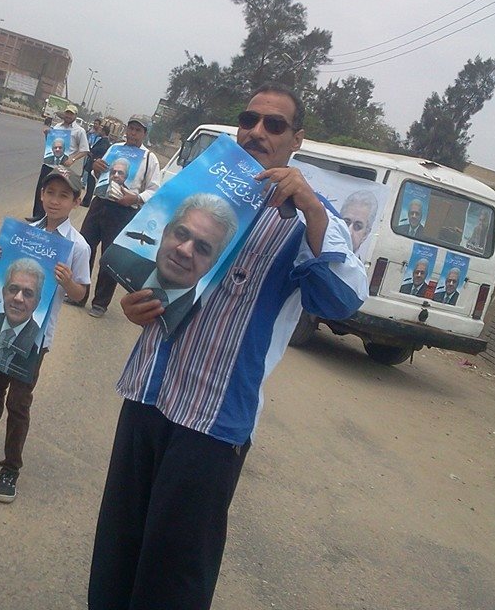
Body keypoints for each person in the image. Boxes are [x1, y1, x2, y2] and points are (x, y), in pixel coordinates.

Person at [87, 83, 368, 610]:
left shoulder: (311, 219)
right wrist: (134, 304)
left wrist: (311, 209)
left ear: (296, 140)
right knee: (118, 546)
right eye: (249, 119)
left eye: (274, 124)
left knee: (175, 570)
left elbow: (340, 300)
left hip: (213, 422)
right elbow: (152, 274)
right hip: (147, 393)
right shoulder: (202, 185)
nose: (257, 131)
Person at [0, 169, 91, 503]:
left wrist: (68, 281)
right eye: (50, 192)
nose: (55, 201)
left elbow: (81, 294)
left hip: (35, 338)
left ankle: (11, 468)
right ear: (41, 195)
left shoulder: (78, 246)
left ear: (76, 201)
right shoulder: (23, 232)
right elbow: (2, 270)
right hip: (2, 328)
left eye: (64, 195)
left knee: (18, 402)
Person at [103, 193, 238, 334]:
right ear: (165, 232)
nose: (184, 250)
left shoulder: (202, 319)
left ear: (214, 262)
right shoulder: (118, 257)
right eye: (181, 234)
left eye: (202, 248)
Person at [80, 115, 161, 317]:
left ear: (144, 134)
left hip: (123, 211)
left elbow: (154, 190)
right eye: (131, 128)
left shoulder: (149, 158)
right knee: (84, 248)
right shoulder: (114, 149)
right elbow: (100, 174)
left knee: (110, 256)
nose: (133, 133)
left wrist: (136, 198)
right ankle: (78, 294)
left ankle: (100, 303)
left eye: (138, 130)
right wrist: (96, 169)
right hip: (100, 203)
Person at [29, 104, 89, 220]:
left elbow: (85, 150)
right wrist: (47, 135)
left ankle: (50, 218)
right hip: (49, 164)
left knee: (56, 192)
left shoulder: (79, 131)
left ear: (75, 116)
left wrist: (72, 159)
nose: (68, 116)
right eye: (67, 113)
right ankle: (37, 216)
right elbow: (50, 144)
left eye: (71, 114)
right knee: (42, 190)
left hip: (62, 167)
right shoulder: (57, 127)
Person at [82, 120, 113, 207]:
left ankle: (86, 201)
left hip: (94, 165)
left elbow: (100, 150)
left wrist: (92, 151)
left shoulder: (104, 141)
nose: (99, 131)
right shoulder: (103, 140)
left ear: (104, 132)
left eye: (101, 130)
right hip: (94, 163)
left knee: (91, 185)